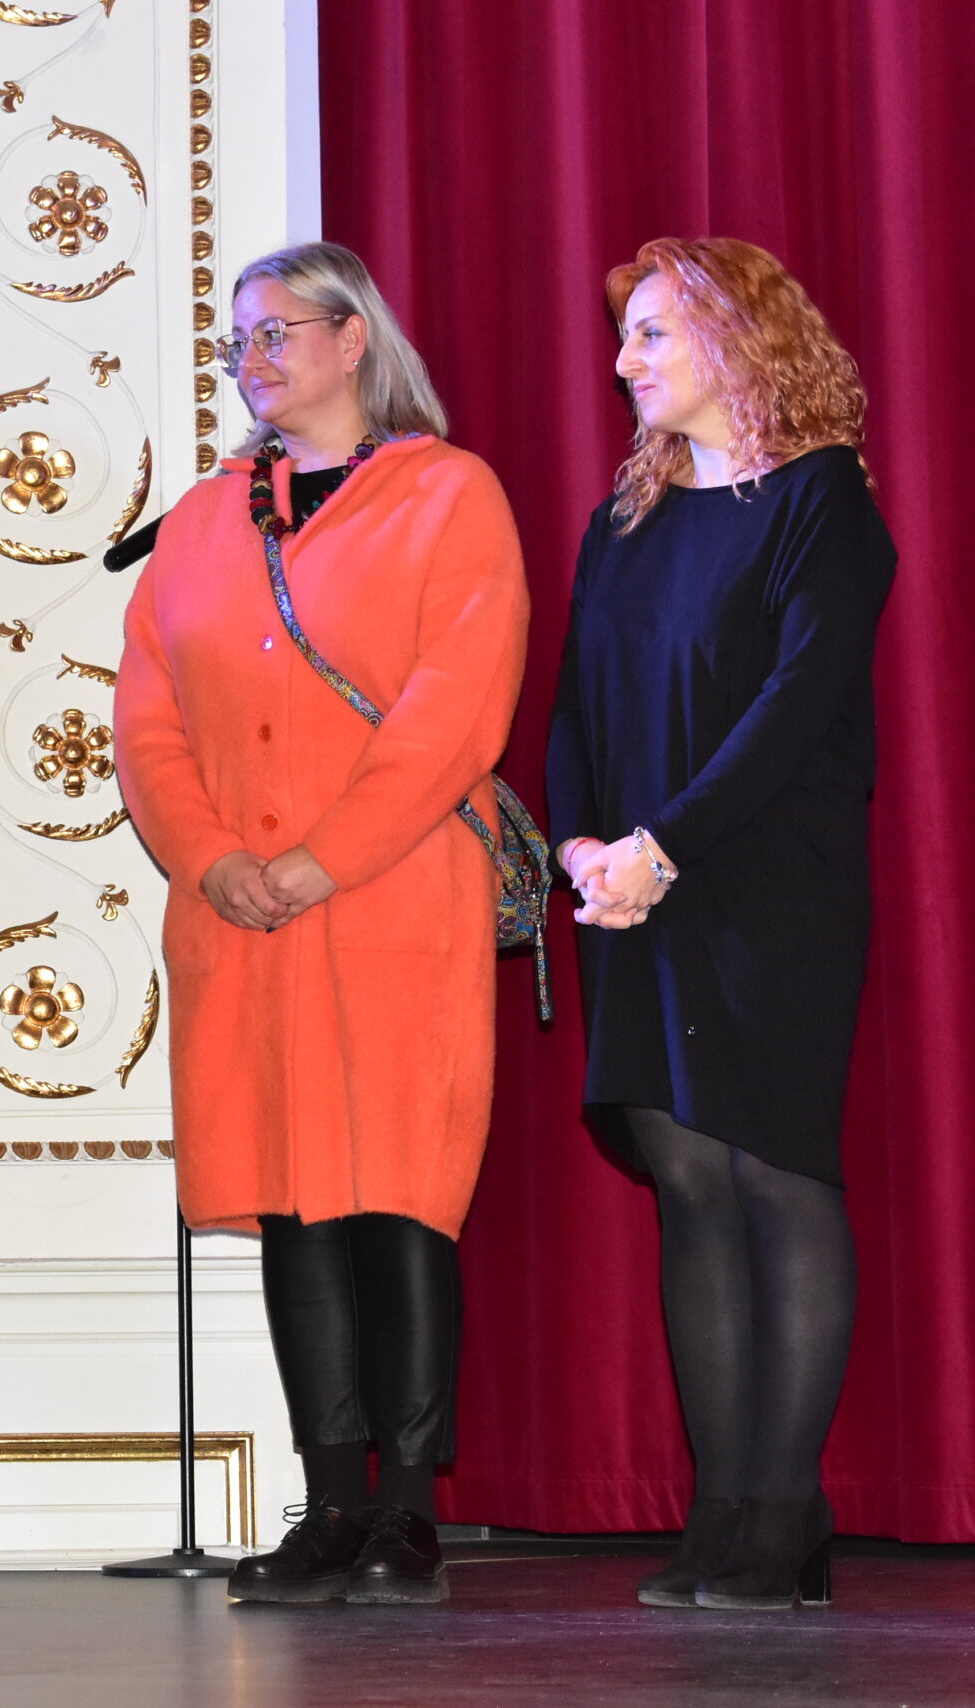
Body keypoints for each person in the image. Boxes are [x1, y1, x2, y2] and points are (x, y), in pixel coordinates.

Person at [112, 242, 529, 1606]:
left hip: (394, 898)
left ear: (354, 340)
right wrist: (212, 859)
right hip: (242, 916)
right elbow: (147, 721)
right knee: (295, 1204)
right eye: (237, 339)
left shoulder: (448, 495)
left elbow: (455, 710)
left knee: (396, 1195)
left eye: (275, 330)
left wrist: (321, 860)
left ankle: (407, 1509)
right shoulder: (199, 523)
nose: (252, 357)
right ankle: (330, 1504)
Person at [547, 238, 894, 1612]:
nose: (623, 359)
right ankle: (722, 1512)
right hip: (632, 889)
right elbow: (574, 707)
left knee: (773, 1176)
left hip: (766, 883)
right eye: (623, 334)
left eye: (652, 332)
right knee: (689, 1187)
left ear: (743, 336)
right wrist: (581, 846)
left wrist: (662, 848)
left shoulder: (820, 501)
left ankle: (785, 1511)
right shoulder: (624, 521)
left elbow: (794, 708)